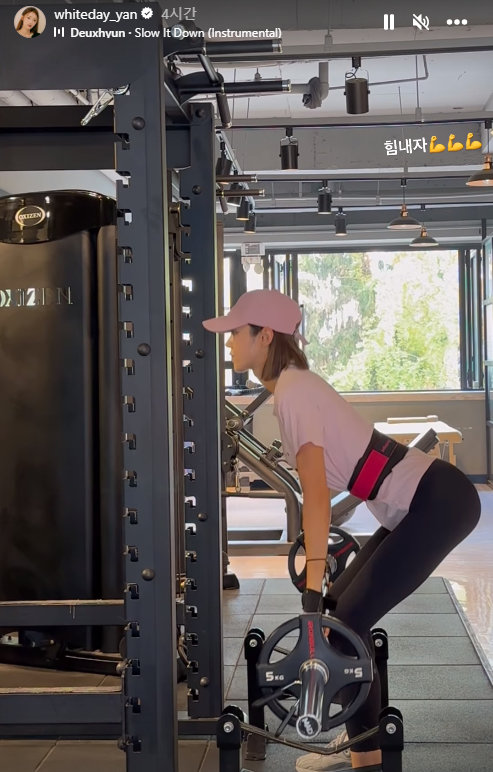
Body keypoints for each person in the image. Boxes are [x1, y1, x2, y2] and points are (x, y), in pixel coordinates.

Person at [203, 289, 481, 772]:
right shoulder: (293, 387)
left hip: (437, 502)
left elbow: (315, 496)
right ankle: (361, 739)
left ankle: (365, 756)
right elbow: (324, 488)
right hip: (418, 502)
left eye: (235, 333)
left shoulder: (294, 392)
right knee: (340, 615)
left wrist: (312, 583)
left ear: (265, 337)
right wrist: (320, 585)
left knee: (345, 622)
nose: (228, 342)